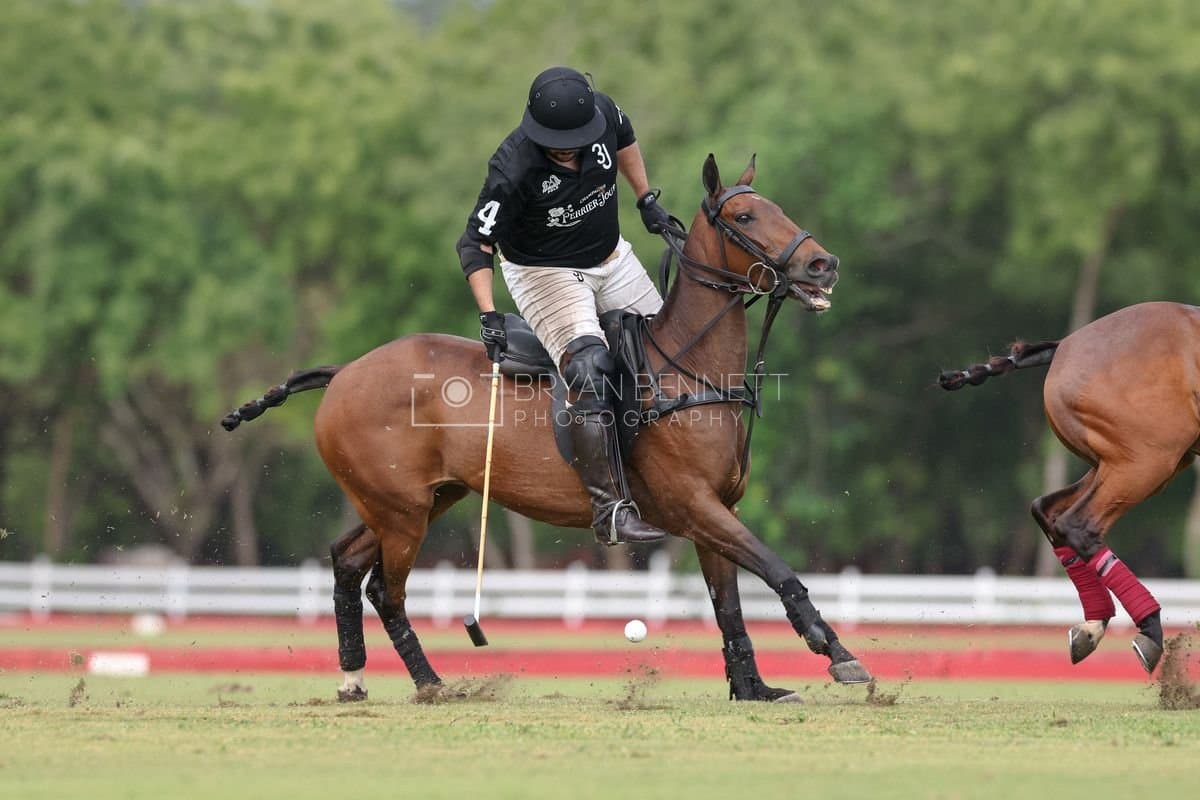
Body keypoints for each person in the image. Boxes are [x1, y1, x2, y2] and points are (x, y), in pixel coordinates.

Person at [456, 66, 676, 547]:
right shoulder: (513, 166)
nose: (566, 148)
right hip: (543, 271)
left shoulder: (602, 113)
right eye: (555, 141)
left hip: (610, 256)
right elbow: (474, 244)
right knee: (591, 367)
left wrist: (645, 198)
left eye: (572, 140)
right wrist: (489, 314)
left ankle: (676, 476)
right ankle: (610, 509)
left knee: (669, 354)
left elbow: (626, 138)